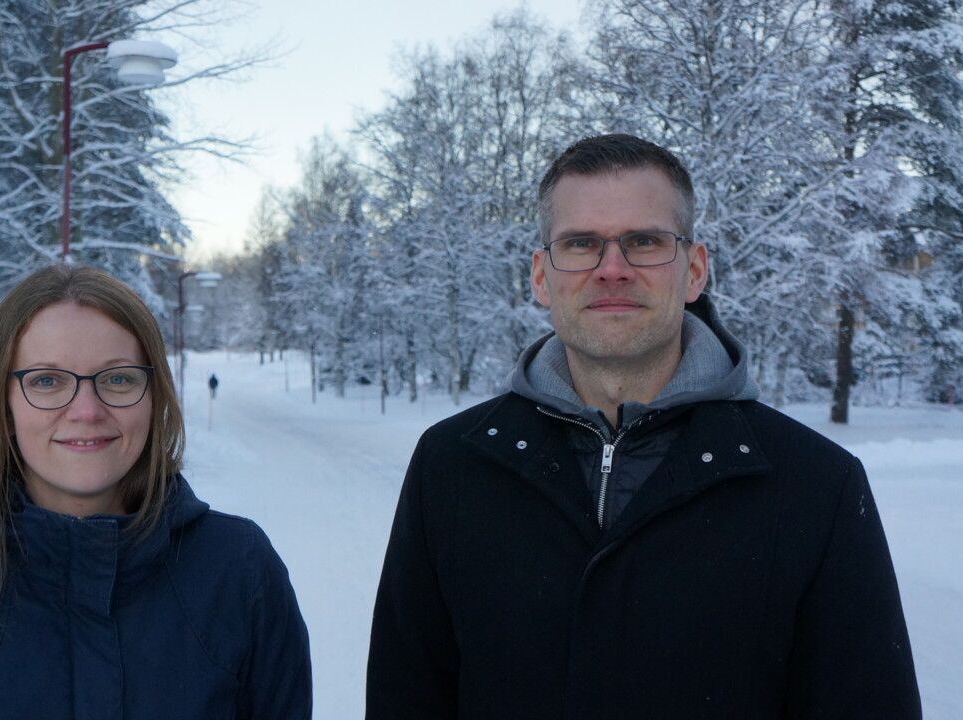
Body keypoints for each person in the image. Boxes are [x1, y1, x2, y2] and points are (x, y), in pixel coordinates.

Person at [366, 134, 920, 718]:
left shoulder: (816, 485)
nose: (612, 270)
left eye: (645, 242)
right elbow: (406, 697)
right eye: (581, 243)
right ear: (541, 275)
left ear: (694, 271)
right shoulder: (452, 464)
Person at [0, 264, 311, 719]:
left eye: (117, 378)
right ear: (2, 406)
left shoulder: (238, 571)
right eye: (47, 381)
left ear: (154, 397)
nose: (86, 410)